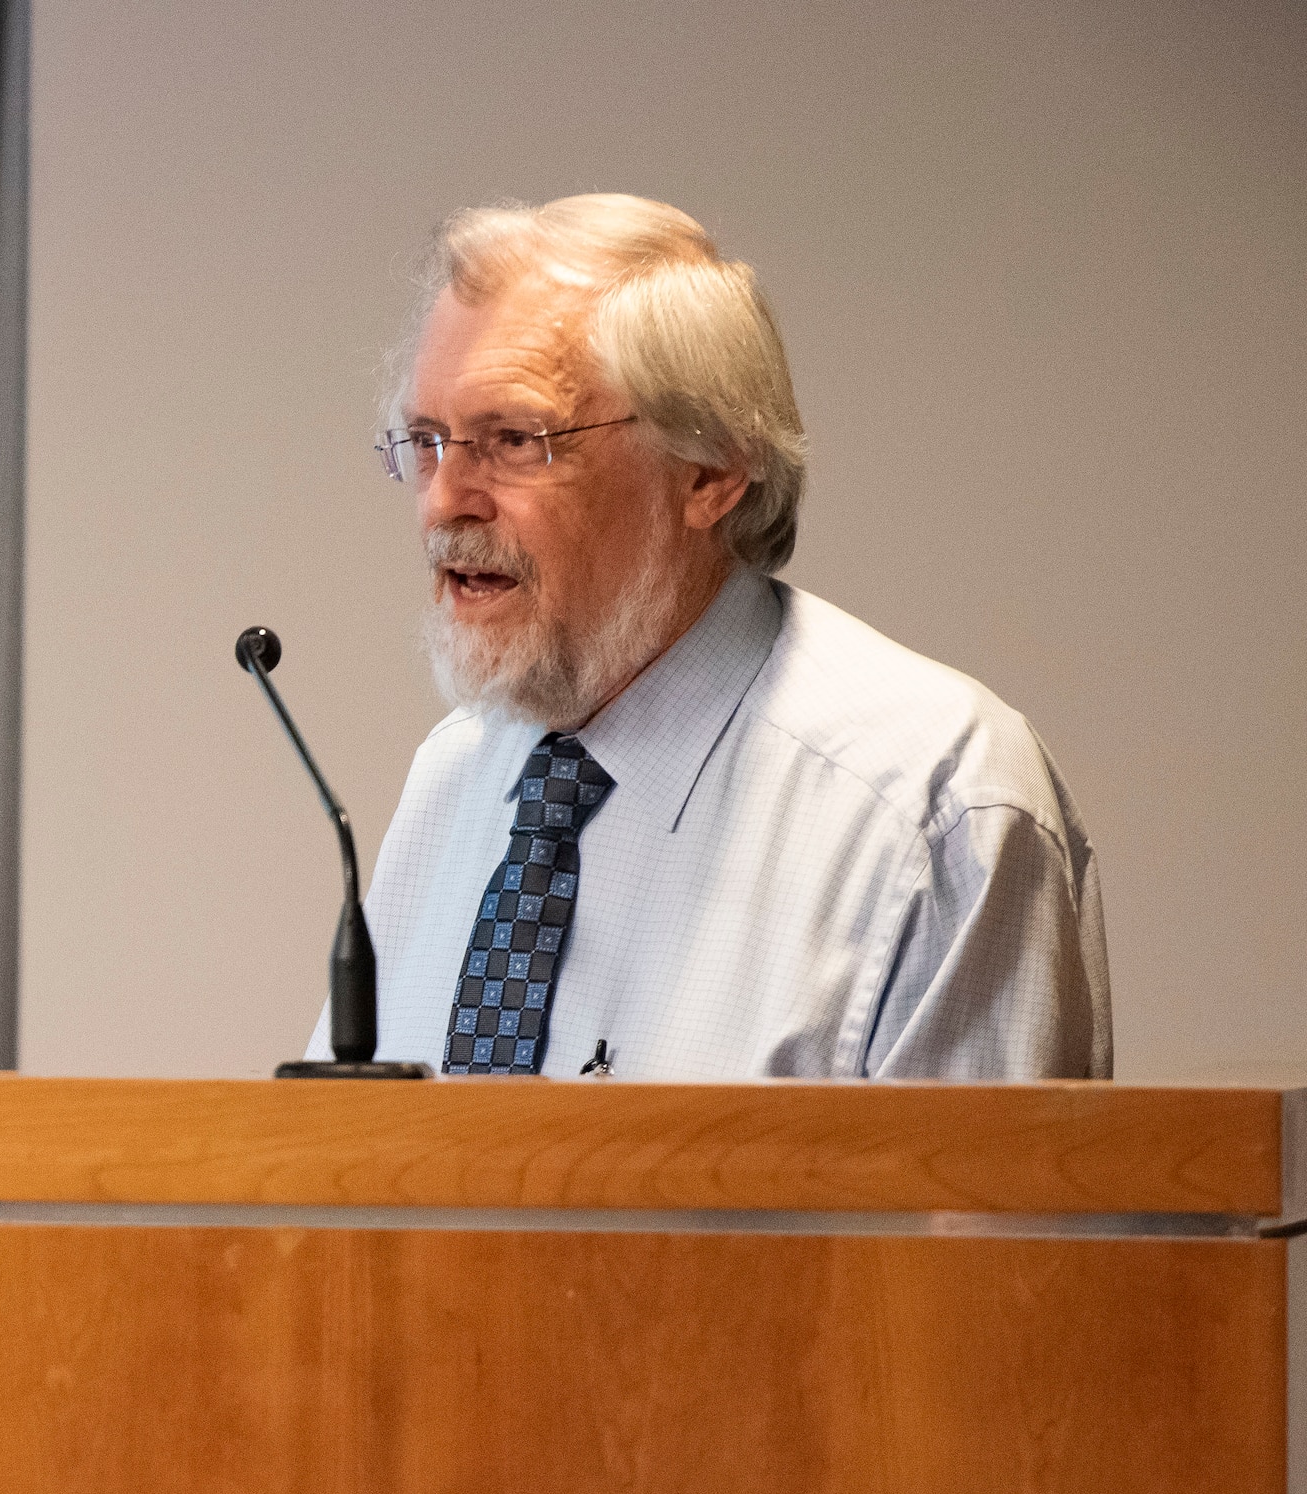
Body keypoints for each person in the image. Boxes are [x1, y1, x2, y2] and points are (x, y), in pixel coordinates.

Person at [307, 194, 1110, 1080]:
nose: (443, 500)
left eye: (513, 439)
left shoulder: (937, 803)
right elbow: (337, 1183)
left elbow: (979, 1214)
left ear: (712, 471)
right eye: (427, 440)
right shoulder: (455, 778)